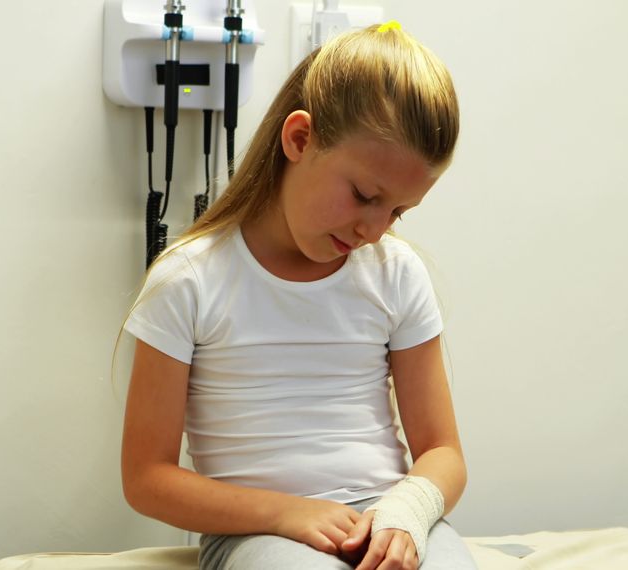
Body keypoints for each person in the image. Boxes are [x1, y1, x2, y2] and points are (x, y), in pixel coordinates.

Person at [119, 21, 475, 570]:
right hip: (257, 533)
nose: (376, 230)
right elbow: (146, 480)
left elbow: (443, 454)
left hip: (386, 516)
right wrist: (287, 513)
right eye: (363, 196)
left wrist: (408, 509)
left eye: (398, 212)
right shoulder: (189, 279)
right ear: (299, 139)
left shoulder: (394, 273)